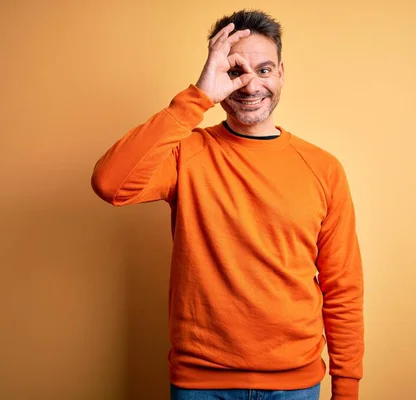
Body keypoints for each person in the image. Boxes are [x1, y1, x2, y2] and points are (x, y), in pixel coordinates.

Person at [91, 9, 364, 400]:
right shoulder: (186, 152)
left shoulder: (323, 168)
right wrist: (196, 98)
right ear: (218, 75)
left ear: (282, 73)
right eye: (236, 72)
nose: (251, 86)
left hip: (295, 385)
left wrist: (347, 386)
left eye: (264, 70)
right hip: (202, 383)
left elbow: (343, 287)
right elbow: (109, 183)